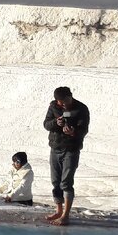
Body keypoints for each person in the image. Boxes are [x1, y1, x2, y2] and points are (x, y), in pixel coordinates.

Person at [43, 86, 90, 226]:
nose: (62, 104)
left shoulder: (81, 109)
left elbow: (84, 129)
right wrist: (56, 123)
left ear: (70, 96)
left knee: (66, 182)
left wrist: (73, 132)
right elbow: (46, 124)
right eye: (59, 102)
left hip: (71, 149)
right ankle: (58, 210)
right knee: (55, 181)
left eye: (64, 101)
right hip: (55, 147)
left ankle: (66, 215)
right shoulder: (53, 106)